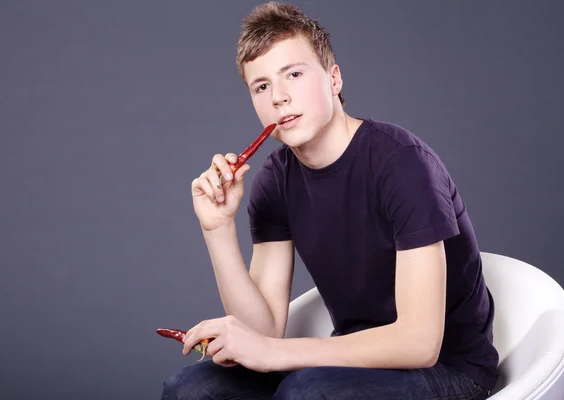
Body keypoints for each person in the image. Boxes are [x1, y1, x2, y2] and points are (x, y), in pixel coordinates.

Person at [161, 2, 499, 399]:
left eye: (295, 74)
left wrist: (276, 351)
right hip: (348, 363)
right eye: (262, 86)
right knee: (189, 388)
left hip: (451, 369)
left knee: (307, 392)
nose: (279, 98)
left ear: (334, 79)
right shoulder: (274, 180)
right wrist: (217, 229)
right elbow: (263, 330)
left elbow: (419, 343)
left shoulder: (402, 164)